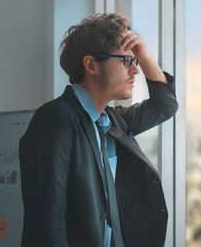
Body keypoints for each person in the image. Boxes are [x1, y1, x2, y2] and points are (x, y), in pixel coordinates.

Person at [19, 13, 178, 247]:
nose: (135, 70)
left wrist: (143, 56)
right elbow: (47, 220)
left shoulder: (112, 122)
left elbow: (165, 105)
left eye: (135, 62)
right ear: (91, 65)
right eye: (127, 61)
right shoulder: (55, 119)